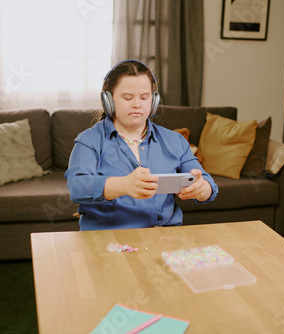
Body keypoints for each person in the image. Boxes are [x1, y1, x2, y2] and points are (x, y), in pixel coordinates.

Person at [65, 60, 218, 231]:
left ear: (153, 101)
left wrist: (201, 188)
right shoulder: (89, 140)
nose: (137, 104)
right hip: (108, 238)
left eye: (144, 97)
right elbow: (77, 188)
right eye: (128, 98)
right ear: (109, 100)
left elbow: (207, 184)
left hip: (164, 237)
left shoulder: (175, 140)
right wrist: (124, 185)